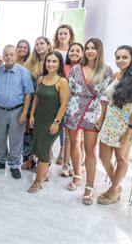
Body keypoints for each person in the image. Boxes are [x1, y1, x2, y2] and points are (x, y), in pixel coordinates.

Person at [64, 38, 113, 205]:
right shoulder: (76, 69)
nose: (90, 51)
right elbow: (68, 92)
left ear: (99, 51)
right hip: (73, 108)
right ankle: (77, 174)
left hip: (93, 111)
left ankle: (89, 187)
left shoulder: (106, 71)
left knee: (90, 150)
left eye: (94, 48)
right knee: (74, 142)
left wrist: (102, 117)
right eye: (88, 48)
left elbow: (106, 96)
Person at [98, 46, 132, 204]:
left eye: (124, 57)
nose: (120, 61)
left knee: (121, 159)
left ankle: (112, 191)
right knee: (103, 157)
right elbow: (108, 100)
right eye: (118, 57)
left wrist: (128, 132)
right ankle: (116, 186)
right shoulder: (116, 75)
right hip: (110, 123)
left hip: (125, 126)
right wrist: (102, 118)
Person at [0, 45, 34, 179]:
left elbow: (28, 94)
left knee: (16, 139)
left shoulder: (24, 72)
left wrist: (24, 113)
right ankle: (0, 161)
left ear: (16, 56)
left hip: (17, 110)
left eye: (11, 54)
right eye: (6, 54)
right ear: (3, 56)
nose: (9, 57)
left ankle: (14, 165)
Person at [27, 51, 69, 193]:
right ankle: (44, 174)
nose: (50, 64)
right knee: (40, 147)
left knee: (44, 150)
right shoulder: (41, 79)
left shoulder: (61, 81)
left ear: (59, 64)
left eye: (54, 61)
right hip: (39, 119)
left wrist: (56, 122)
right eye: (48, 61)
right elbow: (36, 99)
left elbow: (64, 104)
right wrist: (32, 115)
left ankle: (38, 182)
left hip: (52, 121)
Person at [22, 36, 52, 171]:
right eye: (37, 44)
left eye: (42, 43)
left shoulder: (53, 62)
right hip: (30, 102)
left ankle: (43, 164)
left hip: (46, 103)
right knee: (28, 132)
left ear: (48, 45)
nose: (39, 46)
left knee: (43, 135)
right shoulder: (29, 63)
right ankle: (28, 159)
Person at [59, 42, 84, 178]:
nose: (74, 53)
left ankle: (78, 167)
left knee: (80, 140)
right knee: (68, 137)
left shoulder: (85, 68)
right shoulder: (65, 68)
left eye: (77, 51)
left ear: (82, 53)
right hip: (67, 105)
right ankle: (66, 164)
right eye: (72, 51)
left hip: (83, 107)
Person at [52, 24, 76, 166]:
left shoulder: (73, 51)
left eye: (65, 33)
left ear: (70, 36)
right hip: (56, 88)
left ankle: (62, 151)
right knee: (56, 119)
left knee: (66, 125)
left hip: (71, 92)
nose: (62, 36)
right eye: (60, 33)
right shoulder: (53, 51)